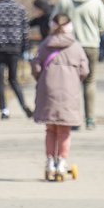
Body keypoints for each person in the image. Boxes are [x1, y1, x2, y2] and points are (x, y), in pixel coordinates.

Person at [30, 14, 89, 180]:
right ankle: (62, 162)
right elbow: (85, 70)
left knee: (50, 129)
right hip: (69, 92)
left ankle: (49, 162)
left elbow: (36, 67)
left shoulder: (44, 44)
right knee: (64, 130)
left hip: (47, 91)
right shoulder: (76, 47)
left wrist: (41, 78)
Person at [52, 0, 104, 130]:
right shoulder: (96, 1)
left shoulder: (65, 0)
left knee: (72, 83)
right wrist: (93, 32)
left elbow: (54, 21)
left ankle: (74, 120)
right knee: (89, 81)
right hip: (91, 46)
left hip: (69, 46)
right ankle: (90, 119)